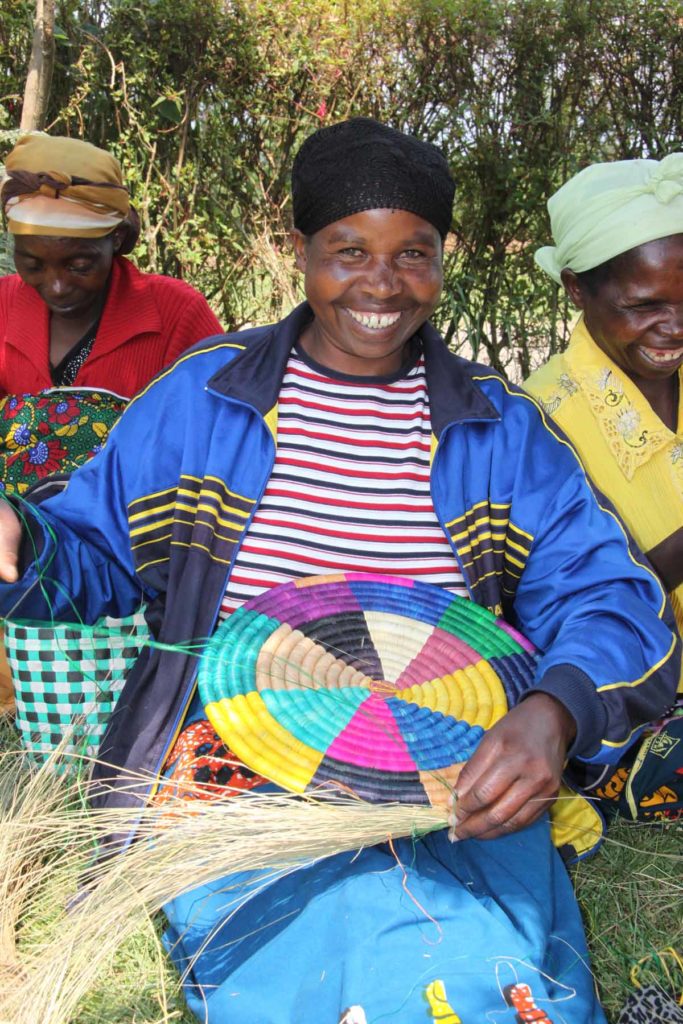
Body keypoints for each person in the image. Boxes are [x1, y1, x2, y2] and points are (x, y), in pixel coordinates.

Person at [0, 119, 678, 1023]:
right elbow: (89, 558)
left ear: (443, 258)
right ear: (300, 252)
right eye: (347, 250)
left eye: (413, 253)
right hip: (233, 759)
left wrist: (553, 712)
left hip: (456, 757)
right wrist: (20, 538)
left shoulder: (498, 426)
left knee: (482, 953)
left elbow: (613, 599)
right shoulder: (204, 398)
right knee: (336, 946)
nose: (381, 283)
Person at [0, 134, 222, 712]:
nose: (55, 284)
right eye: (32, 264)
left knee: (106, 717)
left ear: (118, 241)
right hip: (11, 544)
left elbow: (214, 440)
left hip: (126, 560)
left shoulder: (174, 314)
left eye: (79, 264)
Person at [525, 155, 683, 819]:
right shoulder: (537, 420)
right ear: (574, 288)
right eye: (644, 307)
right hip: (636, 691)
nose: (673, 327)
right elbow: (548, 608)